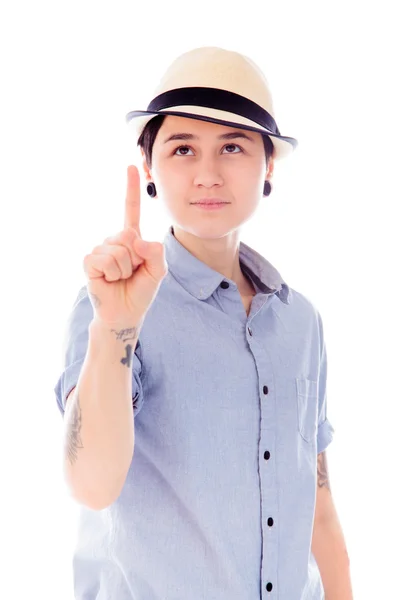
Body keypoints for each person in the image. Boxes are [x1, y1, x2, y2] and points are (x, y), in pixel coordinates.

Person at [54, 46, 341, 599]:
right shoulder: (108, 305)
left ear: (268, 167)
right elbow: (91, 485)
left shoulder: (300, 320)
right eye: (183, 148)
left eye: (232, 147)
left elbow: (320, 510)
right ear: (150, 170)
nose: (208, 174)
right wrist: (117, 325)